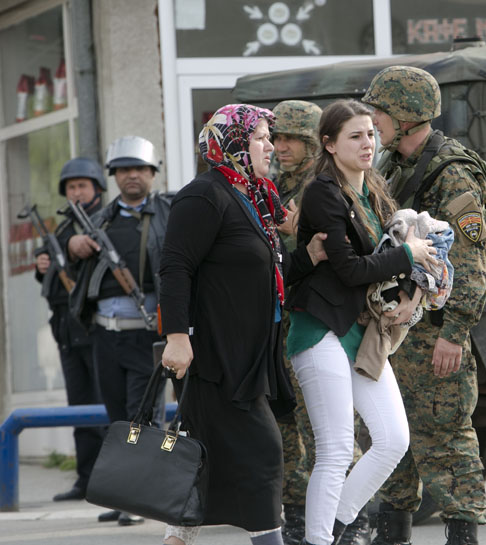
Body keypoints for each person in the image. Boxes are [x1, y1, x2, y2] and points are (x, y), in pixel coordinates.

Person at [158, 103, 328, 545]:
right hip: (216, 354)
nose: (270, 146)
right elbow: (175, 267)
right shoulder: (204, 195)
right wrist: (176, 338)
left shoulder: (253, 197)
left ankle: (178, 536)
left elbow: (258, 274)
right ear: (232, 143)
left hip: (251, 353)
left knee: (203, 459)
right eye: (260, 138)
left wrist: (303, 255)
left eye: (269, 138)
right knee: (263, 453)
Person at [284, 99, 437, 545]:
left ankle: (333, 527)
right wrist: (408, 254)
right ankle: (321, 539)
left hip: (361, 332)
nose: (368, 143)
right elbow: (350, 269)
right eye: (355, 136)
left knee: (392, 440)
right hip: (320, 327)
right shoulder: (321, 192)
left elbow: (381, 254)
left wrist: (414, 280)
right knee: (334, 451)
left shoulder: (372, 187)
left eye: (371, 133)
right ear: (329, 145)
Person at [362, 66, 486, 545]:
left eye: (380, 110)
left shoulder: (450, 173)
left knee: (444, 434)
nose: (374, 119)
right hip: (396, 327)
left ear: (407, 116)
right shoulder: (393, 163)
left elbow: (473, 262)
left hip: (434, 329)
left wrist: (453, 333)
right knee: (387, 435)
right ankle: (393, 531)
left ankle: (462, 533)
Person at [271, 99, 372, 545]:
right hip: (283, 322)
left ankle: (341, 524)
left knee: (334, 440)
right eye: (276, 137)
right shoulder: (267, 190)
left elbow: (347, 262)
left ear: (317, 143)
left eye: (292, 137)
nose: (281, 146)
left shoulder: (330, 188)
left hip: (328, 320)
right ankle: (302, 519)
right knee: (291, 432)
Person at [66, 135, 170, 526]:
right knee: (117, 420)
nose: (131, 176)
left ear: (151, 173)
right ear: (113, 175)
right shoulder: (100, 220)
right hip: (105, 336)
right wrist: (74, 245)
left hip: (148, 334)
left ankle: (145, 498)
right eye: (124, 170)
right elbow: (66, 264)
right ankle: (125, 495)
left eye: (139, 169)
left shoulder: (167, 213)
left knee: (143, 418)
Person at [34, 157, 106, 503]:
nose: (77, 192)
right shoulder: (64, 227)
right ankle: (86, 480)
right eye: (72, 187)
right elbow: (48, 267)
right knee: (80, 408)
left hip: (94, 327)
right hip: (66, 329)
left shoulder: (102, 220)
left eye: (83, 186)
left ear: (96, 189)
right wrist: (42, 263)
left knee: (105, 409)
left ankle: (110, 482)